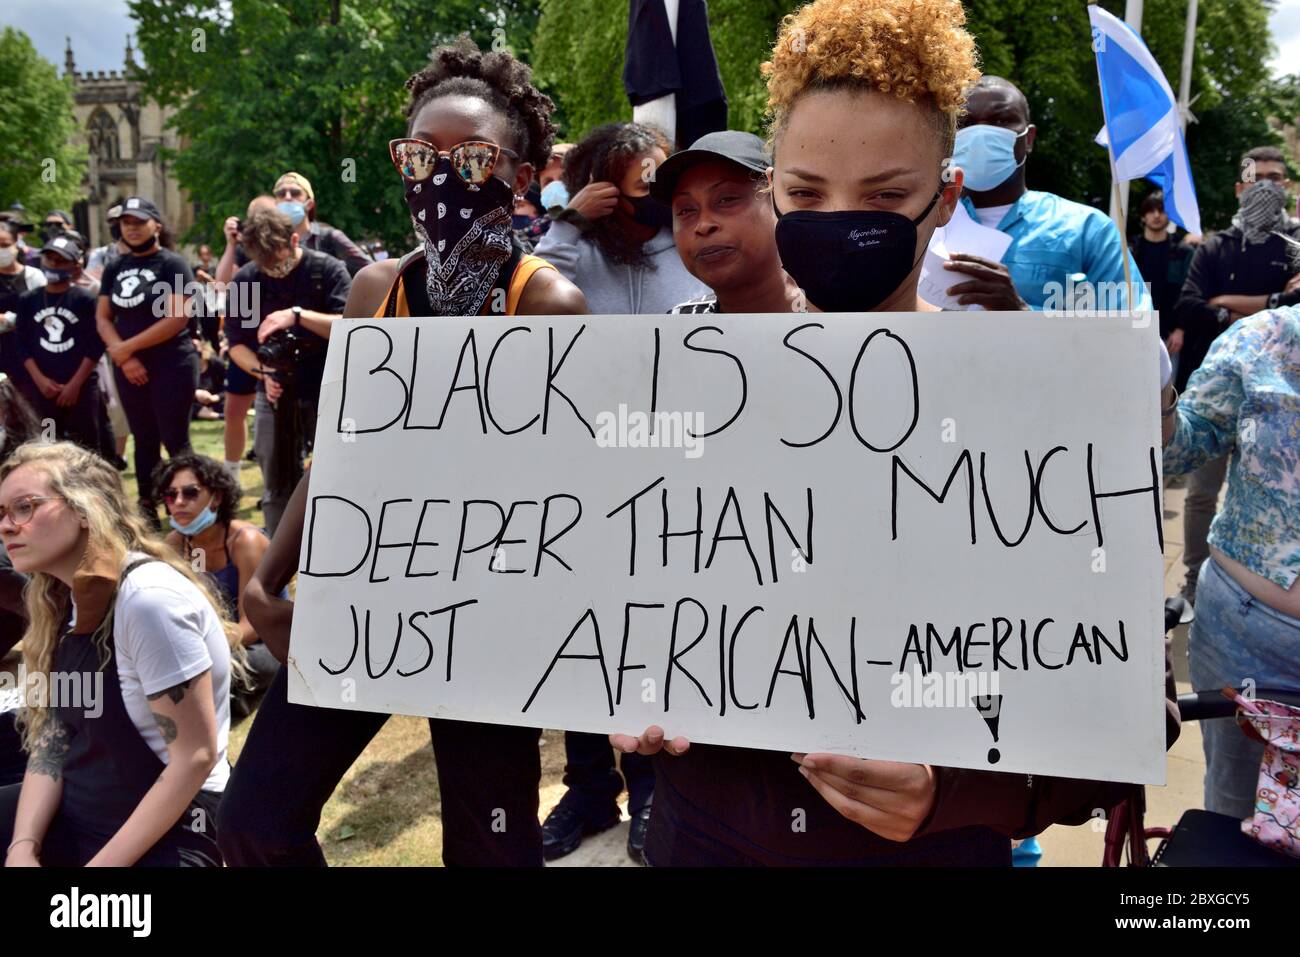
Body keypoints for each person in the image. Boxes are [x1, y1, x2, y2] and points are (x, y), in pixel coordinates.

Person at [611, 0, 1180, 867]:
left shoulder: (1044, 403)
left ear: (944, 195)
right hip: (706, 834)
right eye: (806, 193)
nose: (841, 220)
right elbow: (611, 606)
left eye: (884, 195)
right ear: (775, 191)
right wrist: (624, 693)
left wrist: (958, 790)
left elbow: (1134, 699)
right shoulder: (676, 392)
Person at [217, 36, 587, 869]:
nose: (440, 175)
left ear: (520, 177)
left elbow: (566, 491)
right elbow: (344, 448)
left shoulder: (548, 304)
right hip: (363, 600)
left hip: (483, 619)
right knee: (253, 819)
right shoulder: (375, 289)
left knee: (490, 849)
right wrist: (268, 573)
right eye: (421, 155)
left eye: (472, 157)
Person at [0, 441, 244, 866]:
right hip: (87, 806)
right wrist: (23, 847)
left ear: (82, 509)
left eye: (25, 507)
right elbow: (55, 736)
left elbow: (195, 758)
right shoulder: (63, 599)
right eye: (2, 513)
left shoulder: (148, 600)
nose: (6, 526)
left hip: (175, 826)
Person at [1162, 303, 1300, 818]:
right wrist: (1157, 392)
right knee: (1235, 818)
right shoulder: (1264, 339)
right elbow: (1180, 450)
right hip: (1248, 648)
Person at [1174, 148, 1300, 606]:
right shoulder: (1214, 246)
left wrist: (1225, 303)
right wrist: (1268, 302)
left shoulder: (1296, 243)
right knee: (1200, 495)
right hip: (1211, 397)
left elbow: (1295, 303)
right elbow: (1188, 305)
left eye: (1275, 178)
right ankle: (1192, 585)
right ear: (1239, 188)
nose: (1265, 185)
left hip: (1277, 404)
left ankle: (1251, 589)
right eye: (1256, 178)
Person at [940, 75, 1147, 312]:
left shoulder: (1088, 230)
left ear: (1029, 138)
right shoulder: (926, 225)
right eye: (966, 123)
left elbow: (1135, 331)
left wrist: (1022, 314)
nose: (982, 134)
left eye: (1000, 121)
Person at [224, 206, 350, 534]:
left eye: (277, 262)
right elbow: (236, 343)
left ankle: (335, 539)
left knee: (337, 470)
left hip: (329, 387)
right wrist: (263, 373)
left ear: (295, 239)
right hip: (275, 387)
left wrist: (297, 315)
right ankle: (275, 558)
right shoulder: (248, 279)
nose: (273, 271)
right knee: (275, 475)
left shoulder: (326, 269)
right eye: (264, 265)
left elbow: (352, 326)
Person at [95, 197, 199, 525]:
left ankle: (186, 506)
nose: (132, 228)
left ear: (157, 225)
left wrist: (128, 348)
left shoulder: (172, 264)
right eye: (126, 222)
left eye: (139, 221)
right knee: (143, 438)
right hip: (128, 367)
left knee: (175, 438)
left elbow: (177, 316)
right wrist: (124, 358)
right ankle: (146, 508)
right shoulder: (115, 267)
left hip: (172, 364)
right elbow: (103, 316)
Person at [535, 123, 711, 314]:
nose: (660, 194)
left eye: (665, 182)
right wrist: (570, 223)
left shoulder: (693, 244)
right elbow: (535, 296)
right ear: (606, 192)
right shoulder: (574, 251)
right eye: (646, 187)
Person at [154, 453, 280, 718]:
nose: (178, 502)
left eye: (190, 493)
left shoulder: (245, 541)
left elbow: (253, 624)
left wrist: (203, 647)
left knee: (221, 669)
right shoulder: (175, 545)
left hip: (263, 643)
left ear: (217, 498)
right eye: (170, 495)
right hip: (214, 641)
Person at [653, 129, 801, 314]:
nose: (703, 225)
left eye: (726, 199)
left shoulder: (838, 317)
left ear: (777, 199)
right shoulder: (674, 329)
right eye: (686, 210)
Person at [13, 232, 105, 450]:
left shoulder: (85, 300)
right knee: (47, 446)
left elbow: (96, 345)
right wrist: (40, 380)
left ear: (74, 266)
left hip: (80, 388)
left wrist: (74, 385)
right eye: (50, 258)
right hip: (44, 390)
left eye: (61, 260)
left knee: (86, 448)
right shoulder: (29, 300)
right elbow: (22, 343)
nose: (54, 264)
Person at [214, 196, 278, 486]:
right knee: (234, 411)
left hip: (276, 339)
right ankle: (231, 477)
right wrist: (230, 244)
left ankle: (276, 477)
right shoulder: (242, 249)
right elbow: (221, 283)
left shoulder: (284, 247)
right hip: (244, 340)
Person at [271, 171, 373, 277]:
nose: (287, 197)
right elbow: (254, 281)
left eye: (295, 193)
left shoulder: (329, 238)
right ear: (275, 203)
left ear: (309, 204)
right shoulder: (267, 242)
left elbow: (371, 270)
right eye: (281, 193)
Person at [1131, 190, 1194, 361]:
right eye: (1151, 211)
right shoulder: (1130, 251)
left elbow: (1188, 293)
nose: (1156, 215)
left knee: (1166, 386)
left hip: (1169, 334)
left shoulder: (1183, 252)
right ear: (1143, 216)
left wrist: (1180, 329)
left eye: (1161, 210)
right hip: (1133, 329)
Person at [0, 219, 46, 392]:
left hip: (32, 357)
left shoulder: (34, 276)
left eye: (4, 245)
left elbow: (43, 315)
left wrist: (8, 319)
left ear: (15, 244)